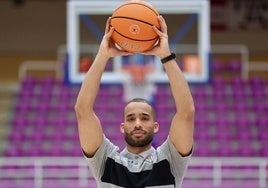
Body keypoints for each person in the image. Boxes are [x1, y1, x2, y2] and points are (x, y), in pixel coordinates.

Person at [75, 15, 195, 188]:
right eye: (131, 118)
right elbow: (82, 111)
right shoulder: (106, 161)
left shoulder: (169, 160)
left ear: (155, 126)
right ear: (122, 126)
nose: (138, 123)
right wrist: (103, 55)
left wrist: (165, 55)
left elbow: (187, 112)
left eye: (145, 118)